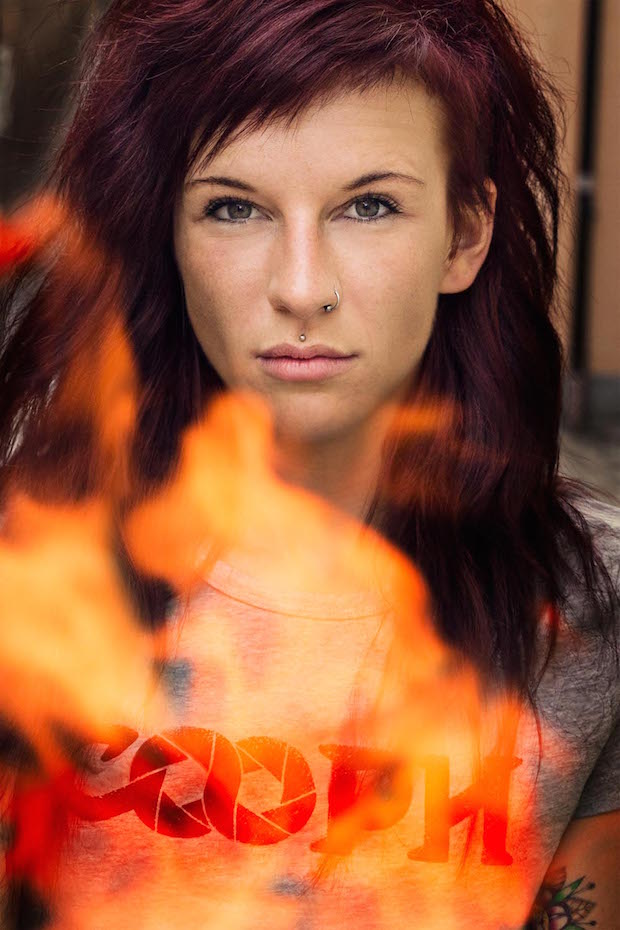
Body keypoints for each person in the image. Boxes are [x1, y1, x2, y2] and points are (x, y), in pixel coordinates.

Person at [0, 1, 618, 928]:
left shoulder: (593, 607)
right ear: (167, 235)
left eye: (369, 206)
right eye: (234, 207)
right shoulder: (33, 564)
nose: (300, 289)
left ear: (463, 235)